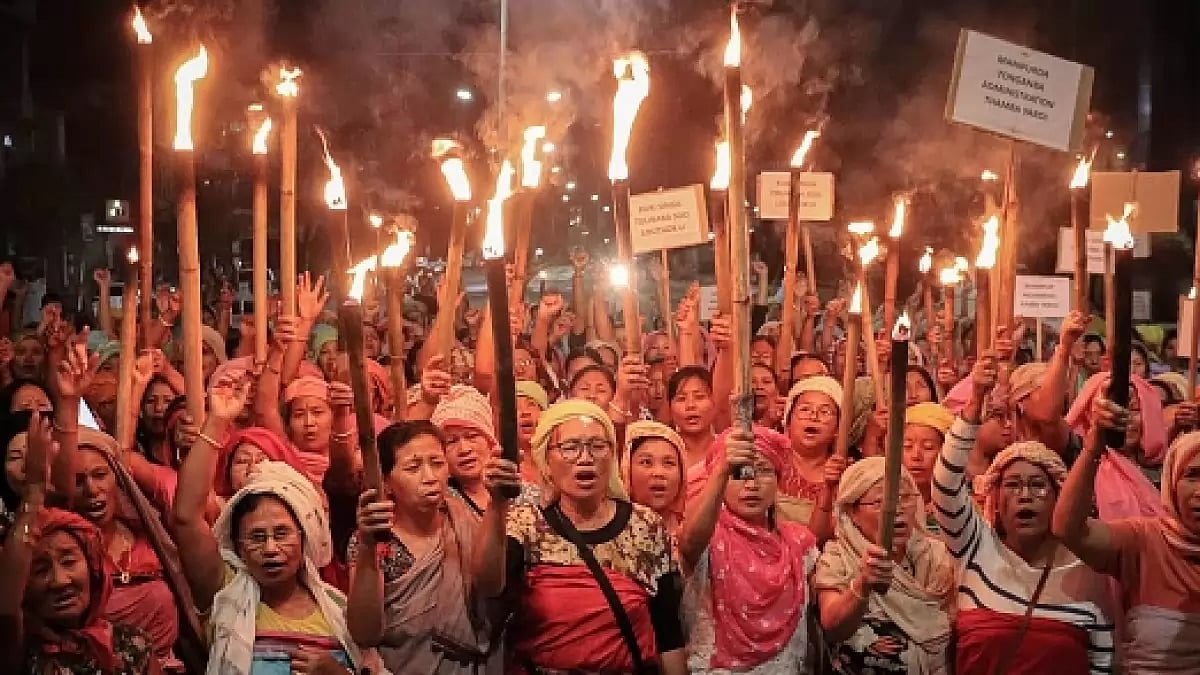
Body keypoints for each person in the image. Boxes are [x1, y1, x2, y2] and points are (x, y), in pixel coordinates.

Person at [171, 374, 365, 675]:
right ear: (237, 545)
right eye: (257, 537)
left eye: (282, 533)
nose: (271, 549)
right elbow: (185, 517)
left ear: (304, 537)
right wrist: (217, 420)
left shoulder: (337, 609)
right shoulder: (226, 592)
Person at [473, 400, 686, 673]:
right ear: (546, 461)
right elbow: (488, 585)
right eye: (570, 447)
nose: (585, 458)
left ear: (612, 455)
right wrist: (497, 505)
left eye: (597, 446)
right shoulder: (524, 524)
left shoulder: (646, 525)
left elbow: (667, 629)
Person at [933, 355, 1115, 675]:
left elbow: (1102, 666)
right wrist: (975, 402)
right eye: (1013, 485)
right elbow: (945, 485)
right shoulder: (975, 549)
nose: (1026, 495)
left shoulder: (1088, 574)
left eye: (1038, 485)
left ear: (1059, 500)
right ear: (996, 499)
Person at [2, 415, 159, 674]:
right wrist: (34, 493)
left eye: (69, 561)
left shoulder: (133, 646)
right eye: (40, 570)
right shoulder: (21, 648)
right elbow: (7, 611)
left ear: (94, 569)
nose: (61, 580)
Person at [1054, 400, 1200, 672]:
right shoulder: (1145, 540)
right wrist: (1093, 446)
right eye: (1192, 475)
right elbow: (1068, 529)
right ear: (1171, 481)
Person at [347, 421, 490, 673]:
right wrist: (368, 548)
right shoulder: (376, 540)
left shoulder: (465, 518)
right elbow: (364, 633)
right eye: (413, 467)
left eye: (437, 463)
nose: (430, 477)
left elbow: (493, 589)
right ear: (387, 483)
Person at [678, 426, 817, 673]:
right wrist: (722, 468)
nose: (752, 484)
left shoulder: (800, 544)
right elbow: (688, 543)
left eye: (763, 471)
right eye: (738, 474)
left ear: (778, 479)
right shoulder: (708, 537)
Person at [814, 457, 955, 674]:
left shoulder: (937, 557)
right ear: (853, 511)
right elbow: (832, 627)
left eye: (905, 498)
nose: (896, 509)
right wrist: (862, 585)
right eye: (880, 502)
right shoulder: (837, 556)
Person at [780, 375, 842, 524]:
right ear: (788, 423)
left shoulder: (845, 473)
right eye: (805, 409)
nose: (814, 416)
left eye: (825, 412)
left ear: (838, 429)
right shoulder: (770, 462)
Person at [432, 385, 500, 515]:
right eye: (451, 441)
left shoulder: (524, 494)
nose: (464, 449)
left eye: (472, 436)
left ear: (490, 441)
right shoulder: (439, 504)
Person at [622, 420, 687, 535]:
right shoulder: (609, 537)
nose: (659, 473)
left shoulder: (695, 534)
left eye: (669, 463)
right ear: (625, 469)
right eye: (646, 462)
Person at [902, 402, 955, 531]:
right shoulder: (884, 502)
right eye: (907, 446)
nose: (916, 456)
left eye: (928, 447)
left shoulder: (959, 507)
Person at [670, 366, 718, 504]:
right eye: (681, 399)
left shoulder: (725, 450)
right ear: (669, 407)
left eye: (699, 397)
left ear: (714, 402)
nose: (690, 405)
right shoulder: (666, 453)